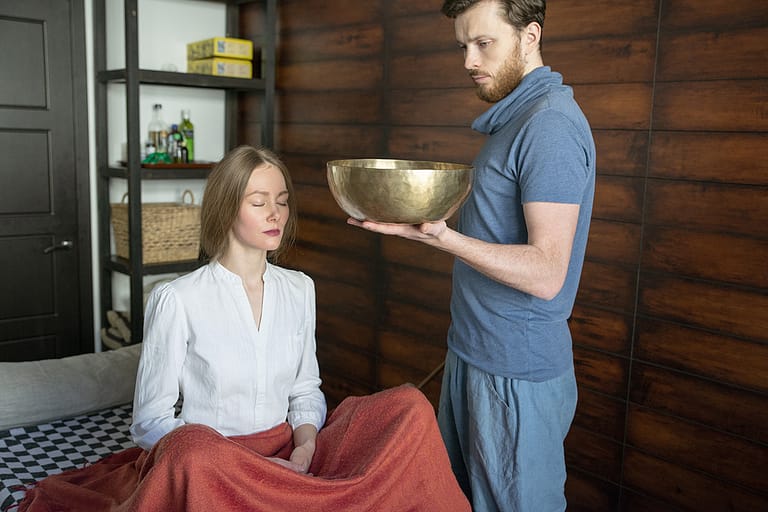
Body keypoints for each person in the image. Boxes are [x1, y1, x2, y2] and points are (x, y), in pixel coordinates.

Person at [18, 145, 471, 512]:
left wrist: (304, 449)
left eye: (282, 201)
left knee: (409, 405)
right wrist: (229, 461)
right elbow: (150, 422)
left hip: (287, 453)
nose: (275, 213)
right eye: (258, 203)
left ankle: (303, 490)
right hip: (213, 465)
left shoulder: (300, 289)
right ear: (226, 208)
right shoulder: (178, 299)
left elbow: (306, 390)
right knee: (192, 447)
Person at [348, 1, 596, 511]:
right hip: (472, 355)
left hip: (513, 376)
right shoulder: (514, 119)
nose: (468, 60)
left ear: (530, 36)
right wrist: (423, 227)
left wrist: (442, 239)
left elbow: (549, 272)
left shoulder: (548, 126)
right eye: (463, 45)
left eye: (484, 43)